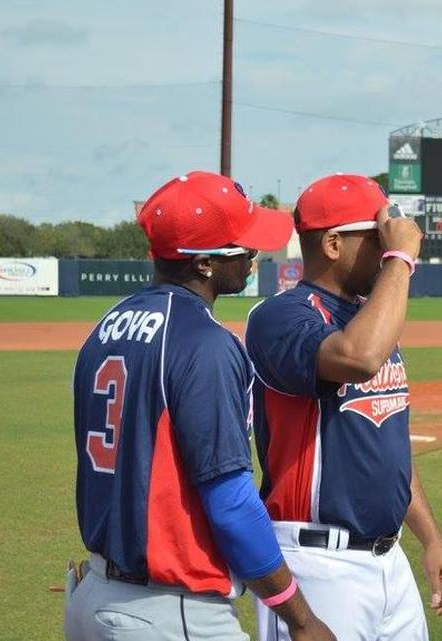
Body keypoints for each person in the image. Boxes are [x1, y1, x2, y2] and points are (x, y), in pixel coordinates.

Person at [66, 171, 335, 641]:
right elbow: (230, 502)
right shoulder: (205, 344)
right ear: (204, 263)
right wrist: (301, 618)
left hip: (96, 595)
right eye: (242, 244)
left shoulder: (105, 327)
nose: (254, 253)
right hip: (167, 612)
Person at [245, 174, 442, 641]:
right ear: (332, 244)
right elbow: (358, 358)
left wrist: (431, 539)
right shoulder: (281, 315)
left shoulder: (367, 317)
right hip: (318, 563)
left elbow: (389, 445)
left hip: (389, 561)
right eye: (377, 235)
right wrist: (400, 258)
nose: (387, 242)